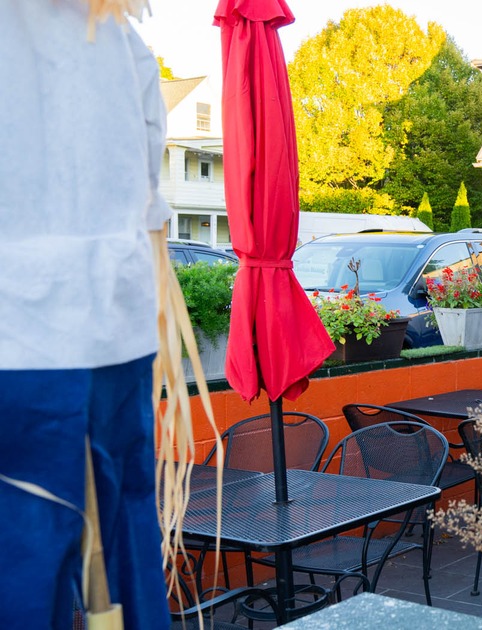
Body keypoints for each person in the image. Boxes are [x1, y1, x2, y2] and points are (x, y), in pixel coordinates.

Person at [0, 1, 172, 628]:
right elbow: (148, 192)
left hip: (18, 341)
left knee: (20, 560)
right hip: (115, 327)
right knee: (126, 542)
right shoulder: (124, 44)